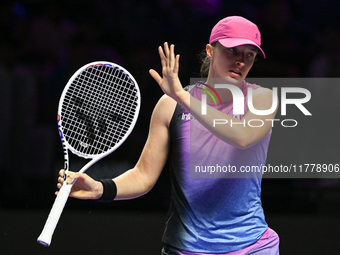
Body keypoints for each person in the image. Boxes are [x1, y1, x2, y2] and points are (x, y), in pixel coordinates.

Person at [57, 16, 280, 254]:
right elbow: (143, 175)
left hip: (252, 246)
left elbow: (242, 136)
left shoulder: (262, 99)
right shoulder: (169, 106)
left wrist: (182, 97)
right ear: (210, 51)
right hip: (186, 247)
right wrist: (100, 189)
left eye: (249, 55)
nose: (240, 61)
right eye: (232, 50)